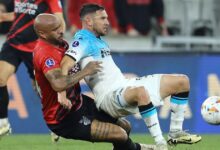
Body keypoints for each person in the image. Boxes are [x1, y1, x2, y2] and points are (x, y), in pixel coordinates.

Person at [61, 3, 202, 150]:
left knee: (182, 81)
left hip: (124, 85)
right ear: (88, 21)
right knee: (140, 92)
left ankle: (175, 133)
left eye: (107, 18)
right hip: (108, 97)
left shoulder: (97, 40)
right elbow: (65, 64)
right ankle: (161, 144)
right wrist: (62, 94)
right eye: (102, 18)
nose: (107, 22)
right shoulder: (82, 40)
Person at [33, 13, 155, 150]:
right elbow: (58, 83)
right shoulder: (44, 53)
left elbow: (61, 70)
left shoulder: (59, 42)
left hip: (79, 103)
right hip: (63, 118)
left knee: (125, 127)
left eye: (60, 26)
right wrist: (85, 71)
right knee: (119, 135)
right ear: (42, 34)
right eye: (55, 29)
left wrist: (61, 93)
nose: (61, 31)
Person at [0, 0, 65, 137]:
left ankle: (56, 123)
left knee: (41, 89)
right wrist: (6, 17)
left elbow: (59, 19)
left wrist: (58, 40)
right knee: (0, 78)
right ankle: (3, 123)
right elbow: (23, 14)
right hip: (13, 43)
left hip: (35, 48)